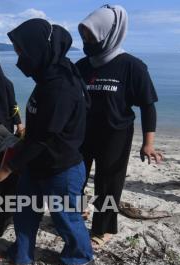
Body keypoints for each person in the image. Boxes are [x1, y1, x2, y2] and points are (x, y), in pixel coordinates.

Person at [0, 19, 94, 265]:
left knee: (65, 218)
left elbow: (44, 137)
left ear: (38, 49)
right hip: (35, 162)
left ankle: (80, 255)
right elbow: (39, 130)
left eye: (21, 51)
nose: (18, 57)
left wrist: (7, 168)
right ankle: (22, 252)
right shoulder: (49, 74)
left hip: (62, 168)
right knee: (24, 212)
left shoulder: (61, 86)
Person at [76, 4, 163, 249]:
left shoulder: (132, 66)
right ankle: (79, 212)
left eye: (92, 35)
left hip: (115, 135)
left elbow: (148, 106)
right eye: (84, 35)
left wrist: (149, 143)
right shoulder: (82, 65)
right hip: (82, 134)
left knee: (108, 184)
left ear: (109, 32)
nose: (87, 40)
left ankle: (103, 229)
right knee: (76, 178)